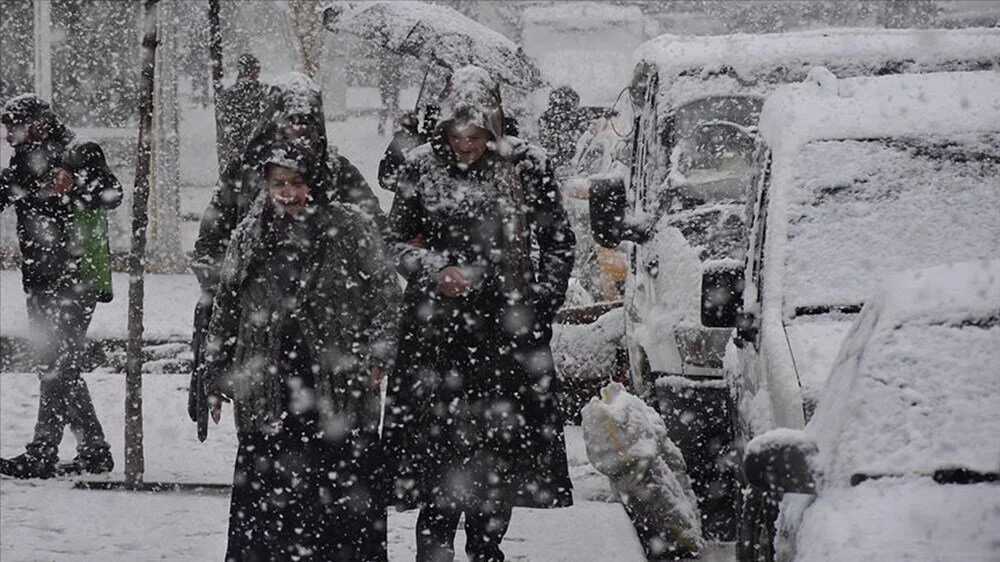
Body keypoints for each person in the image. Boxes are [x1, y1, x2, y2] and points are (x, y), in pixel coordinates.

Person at [382, 66, 576, 562]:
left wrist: (540, 302)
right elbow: (394, 241)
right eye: (456, 135)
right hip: (436, 333)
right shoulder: (421, 166)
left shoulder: (528, 165)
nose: (466, 145)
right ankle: (436, 547)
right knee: (437, 452)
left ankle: (487, 548)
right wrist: (433, 268)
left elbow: (558, 241)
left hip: (507, 334)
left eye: (476, 135)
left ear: (494, 126)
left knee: (499, 453)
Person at [201, 140, 399, 561]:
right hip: (268, 383)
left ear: (316, 183)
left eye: (296, 182)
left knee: (340, 495)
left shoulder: (350, 227)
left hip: (338, 383)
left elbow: (385, 291)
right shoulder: (251, 232)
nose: (287, 193)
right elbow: (226, 304)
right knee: (269, 503)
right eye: (278, 183)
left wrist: (379, 352)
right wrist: (216, 374)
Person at [189, 73, 383, 428]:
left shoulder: (340, 173)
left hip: (330, 341)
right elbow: (209, 246)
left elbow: (377, 247)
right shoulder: (246, 172)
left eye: (308, 123)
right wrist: (241, 291)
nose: (300, 132)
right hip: (261, 338)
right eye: (292, 122)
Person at [0, 94, 122, 479]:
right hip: (38, 281)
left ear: (39, 125)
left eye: (13, 127)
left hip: (78, 279)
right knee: (56, 365)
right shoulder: (22, 162)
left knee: (57, 365)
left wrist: (74, 186)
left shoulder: (80, 152)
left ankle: (42, 452)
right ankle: (95, 451)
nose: (7, 136)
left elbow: (112, 194)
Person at [217, 53, 268, 171]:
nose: (257, 72)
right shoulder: (264, 92)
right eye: (255, 69)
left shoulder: (228, 94)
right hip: (257, 150)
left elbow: (224, 125)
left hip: (239, 150)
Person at [537, 85, 588, 173]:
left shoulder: (544, 117)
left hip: (550, 160)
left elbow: (543, 140)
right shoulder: (573, 116)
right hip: (563, 160)